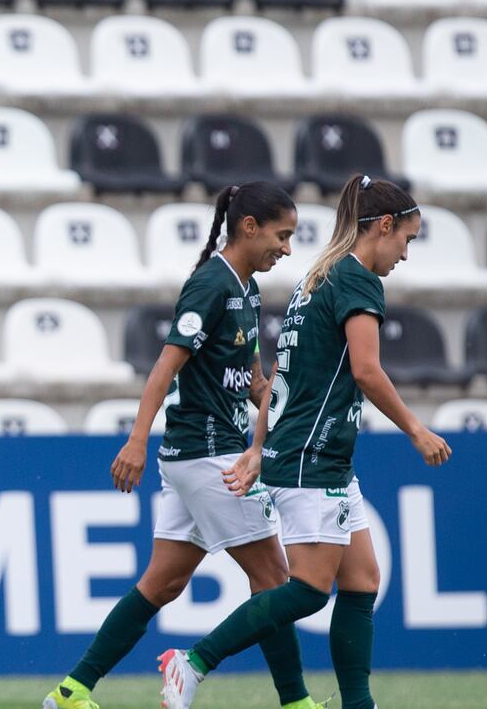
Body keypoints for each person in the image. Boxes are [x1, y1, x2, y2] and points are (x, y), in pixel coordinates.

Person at [158, 175, 453, 709]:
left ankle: (357, 703)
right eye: (407, 240)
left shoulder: (318, 279)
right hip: (311, 458)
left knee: (363, 580)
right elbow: (366, 371)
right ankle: (194, 660)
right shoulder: (359, 281)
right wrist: (416, 428)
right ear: (383, 227)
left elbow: (284, 380)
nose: (405, 255)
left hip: (317, 455)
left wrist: (255, 448)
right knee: (310, 590)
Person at [42, 182, 325, 709]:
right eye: (282, 235)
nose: (287, 248)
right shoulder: (210, 285)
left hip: (203, 455)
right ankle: (296, 703)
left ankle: (70, 691)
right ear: (249, 227)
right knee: (274, 578)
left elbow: (255, 382)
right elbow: (165, 366)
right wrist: (135, 440)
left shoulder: (247, 289)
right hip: (207, 455)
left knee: (163, 583)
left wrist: (288, 414)